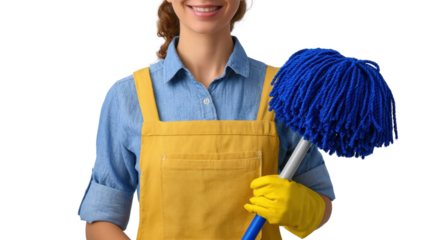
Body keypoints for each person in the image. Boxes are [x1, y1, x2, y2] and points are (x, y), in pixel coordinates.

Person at [78, 1, 335, 239]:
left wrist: (302, 207)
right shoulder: (128, 95)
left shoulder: (282, 91)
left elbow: (323, 201)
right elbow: (101, 219)